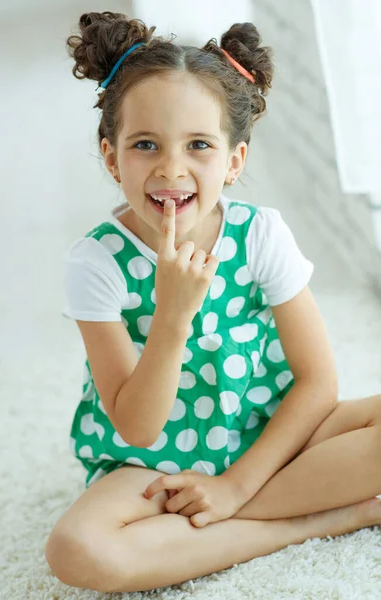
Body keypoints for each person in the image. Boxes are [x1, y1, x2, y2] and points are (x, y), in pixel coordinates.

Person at [45, 11, 381, 594]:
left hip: (267, 432)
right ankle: (312, 519)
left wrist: (235, 486)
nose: (171, 169)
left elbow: (317, 383)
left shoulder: (260, 235)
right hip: (152, 468)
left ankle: (229, 515)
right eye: (144, 144)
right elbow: (139, 427)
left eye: (199, 145)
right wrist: (171, 316)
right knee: (77, 551)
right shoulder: (95, 263)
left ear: (234, 161)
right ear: (110, 156)